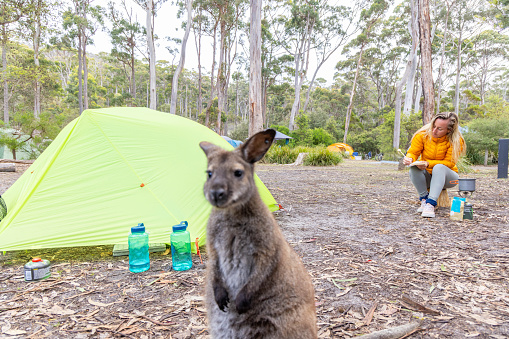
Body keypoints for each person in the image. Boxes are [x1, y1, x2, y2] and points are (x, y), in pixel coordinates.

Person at [402, 112, 466, 218]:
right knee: (414, 167)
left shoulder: (456, 140)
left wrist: (428, 164)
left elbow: (450, 163)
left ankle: (430, 203)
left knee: (439, 167)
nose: (434, 131)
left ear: (449, 130)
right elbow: (413, 152)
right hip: (428, 177)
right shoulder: (422, 135)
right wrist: (409, 158)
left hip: (449, 179)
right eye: (433, 126)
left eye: (439, 129)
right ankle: (424, 199)